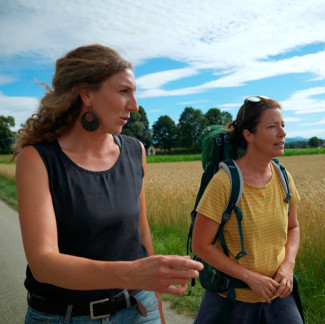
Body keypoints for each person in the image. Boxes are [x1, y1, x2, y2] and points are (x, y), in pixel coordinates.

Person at [14, 44, 203, 324]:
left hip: (139, 308)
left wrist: (155, 301)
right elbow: (43, 264)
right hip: (63, 317)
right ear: (87, 94)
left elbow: (141, 233)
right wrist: (132, 273)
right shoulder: (38, 159)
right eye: (123, 91)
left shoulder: (134, 151)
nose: (135, 105)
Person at [192, 96, 303, 323]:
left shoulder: (283, 177)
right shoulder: (225, 183)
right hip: (232, 299)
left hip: (279, 294)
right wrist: (250, 278)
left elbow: (293, 227)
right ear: (249, 135)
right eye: (272, 127)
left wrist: (288, 266)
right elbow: (200, 246)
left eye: (282, 126)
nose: (282, 133)